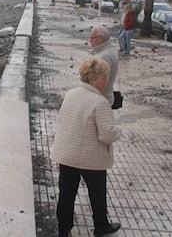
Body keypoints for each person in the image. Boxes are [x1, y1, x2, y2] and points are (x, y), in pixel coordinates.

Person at [50, 57, 122, 237]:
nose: (106, 80)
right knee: (97, 195)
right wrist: (118, 130)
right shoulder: (100, 103)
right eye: (103, 77)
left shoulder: (71, 94)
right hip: (91, 159)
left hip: (67, 154)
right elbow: (106, 135)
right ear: (92, 78)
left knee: (66, 195)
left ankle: (63, 230)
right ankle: (101, 227)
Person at [89, 26, 118, 106]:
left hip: (100, 101)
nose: (90, 40)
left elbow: (99, 83)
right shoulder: (109, 51)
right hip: (104, 98)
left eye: (92, 38)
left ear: (101, 38)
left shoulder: (103, 57)